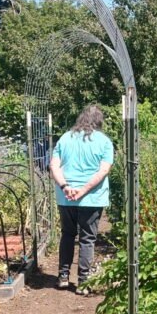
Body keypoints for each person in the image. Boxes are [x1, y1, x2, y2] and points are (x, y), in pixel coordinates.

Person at [49, 104, 114, 293]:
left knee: (67, 234)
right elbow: (103, 170)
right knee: (87, 239)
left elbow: (54, 166)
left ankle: (63, 276)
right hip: (92, 198)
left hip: (66, 198)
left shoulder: (65, 138)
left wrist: (65, 186)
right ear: (99, 121)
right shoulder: (104, 142)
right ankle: (83, 282)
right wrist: (83, 190)